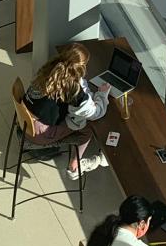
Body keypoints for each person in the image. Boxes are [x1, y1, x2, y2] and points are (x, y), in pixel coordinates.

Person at [22, 42, 112, 179]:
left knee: (76, 115)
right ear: (81, 67)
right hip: (39, 133)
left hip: (25, 120)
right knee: (89, 127)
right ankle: (75, 166)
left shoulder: (49, 68)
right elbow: (95, 113)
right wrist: (102, 95)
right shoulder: (72, 89)